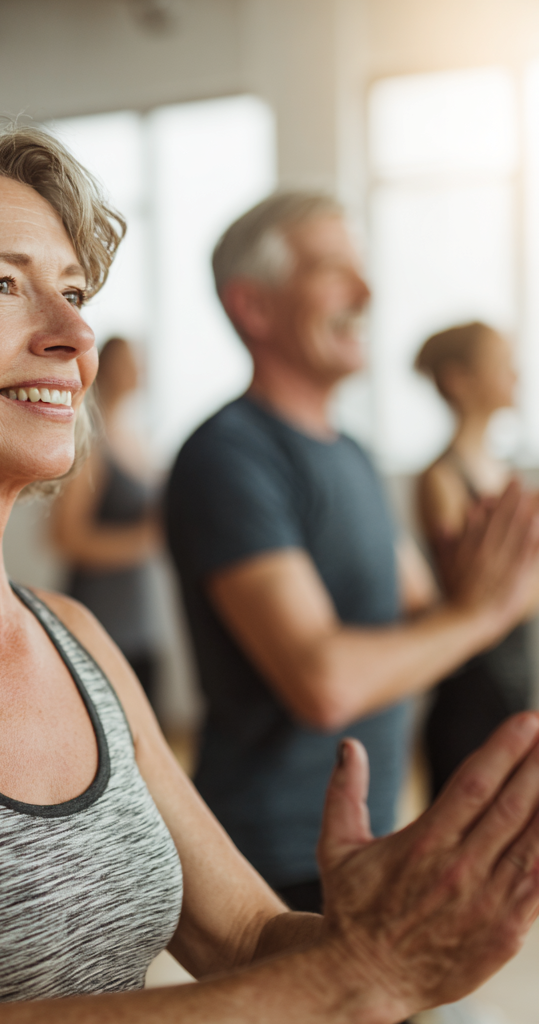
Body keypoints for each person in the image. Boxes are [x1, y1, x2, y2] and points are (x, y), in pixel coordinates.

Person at [0, 121, 539, 1024]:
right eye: (3, 284)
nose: (73, 332)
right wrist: (353, 974)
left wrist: (369, 932)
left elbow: (243, 935)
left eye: (75, 291)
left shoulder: (71, 635)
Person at [164, 192, 539, 917]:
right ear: (254, 307)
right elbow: (324, 683)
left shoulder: (357, 456)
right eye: (332, 269)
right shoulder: (229, 456)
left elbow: (425, 614)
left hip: (371, 835)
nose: (366, 292)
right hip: (273, 859)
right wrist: (481, 612)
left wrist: (494, 584)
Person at [416, 322, 535, 796]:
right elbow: (476, 596)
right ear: (458, 379)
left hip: (515, 678)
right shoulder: (441, 479)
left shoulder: (504, 472)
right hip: (472, 691)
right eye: (501, 363)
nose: (515, 375)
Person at [50, 336, 161, 698]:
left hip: (140, 620)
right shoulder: (91, 444)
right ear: (107, 368)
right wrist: (143, 540)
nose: (139, 370)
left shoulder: (137, 440)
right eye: (129, 361)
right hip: (101, 619)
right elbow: (65, 537)